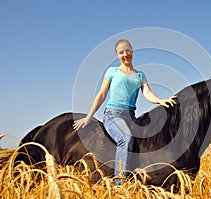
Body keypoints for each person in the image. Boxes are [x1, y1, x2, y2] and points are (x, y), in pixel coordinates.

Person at [73, 39, 177, 185]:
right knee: (126, 138)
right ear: (117, 56)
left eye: (127, 50)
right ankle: (119, 184)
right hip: (113, 115)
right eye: (121, 52)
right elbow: (102, 94)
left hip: (131, 117)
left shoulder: (140, 75)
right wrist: (89, 116)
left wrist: (160, 100)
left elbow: (147, 93)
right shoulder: (112, 72)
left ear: (132, 52)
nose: (125, 54)